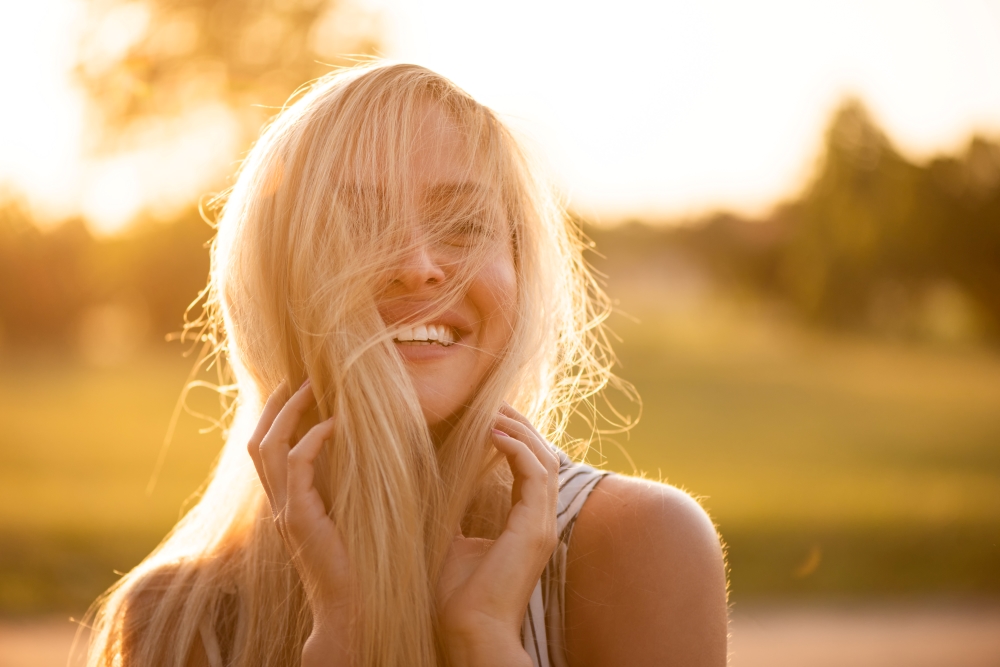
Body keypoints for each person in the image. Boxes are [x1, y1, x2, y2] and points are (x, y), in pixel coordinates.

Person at [84, 62, 728, 666]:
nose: (418, 265)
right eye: (358, 224)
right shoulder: (174, 619)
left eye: (462, 222)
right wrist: (343, 640)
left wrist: (486, 643)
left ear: (519, 266)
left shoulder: (640, 547)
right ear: (276, 280)